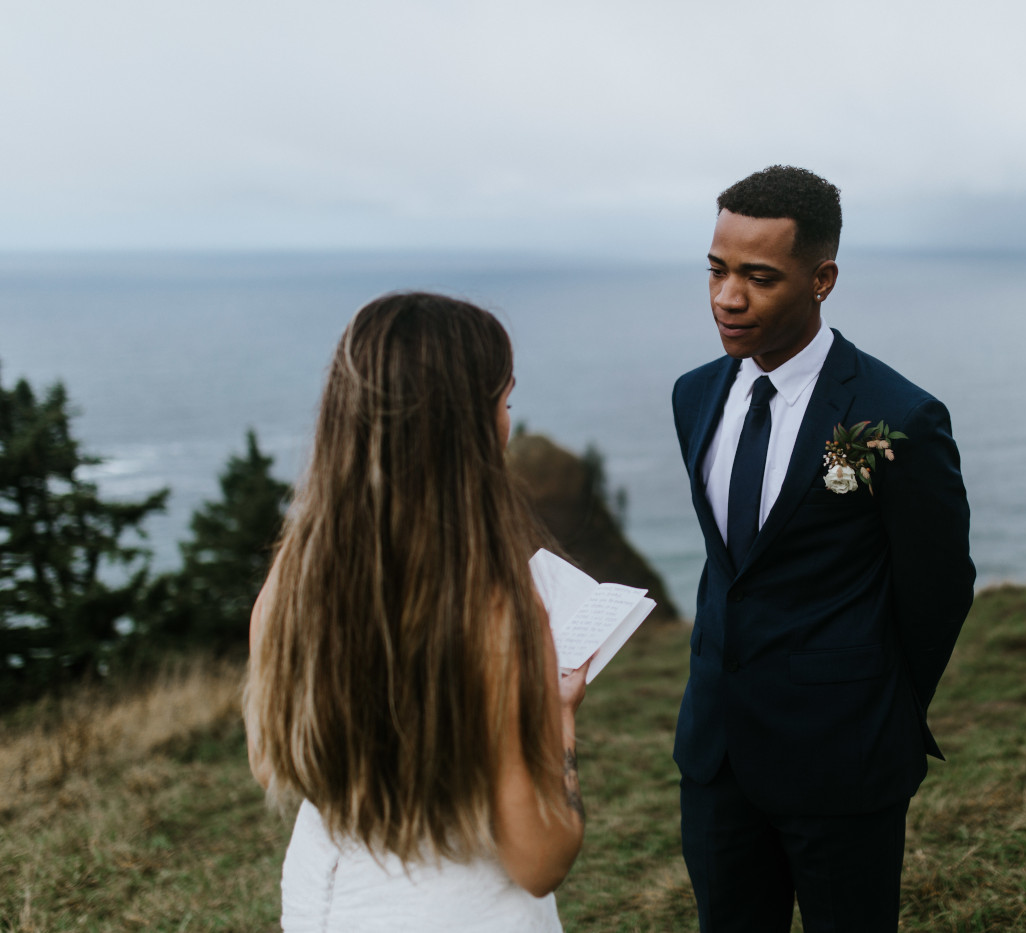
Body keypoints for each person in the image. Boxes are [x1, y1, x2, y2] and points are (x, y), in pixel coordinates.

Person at [671, 166, 976, 932]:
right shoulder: (694, 394)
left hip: (845, 759)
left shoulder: (897, 416)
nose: (726, 297)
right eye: (717, 268)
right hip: (715, 754)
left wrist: (880, 711)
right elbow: (732, 569)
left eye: (758, 276)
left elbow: (938, 588)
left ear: (822, 279)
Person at [244, 292, 589, 933]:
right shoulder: (494, 607)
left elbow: (270, 761)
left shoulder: (295, 570)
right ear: (467, 424)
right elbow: (540, 858)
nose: (510, 420)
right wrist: (558, 720)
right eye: (505, 401)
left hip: (321, 901)